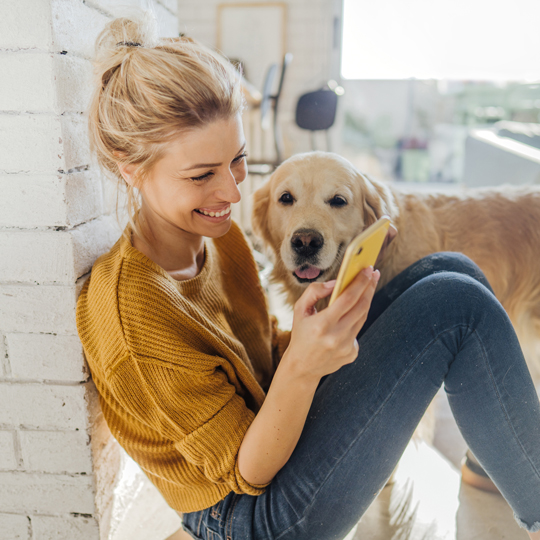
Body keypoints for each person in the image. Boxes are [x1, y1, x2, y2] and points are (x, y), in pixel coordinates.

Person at [76, 13, 540, 540]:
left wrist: (317, 333)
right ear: (128, 167)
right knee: (454, 305)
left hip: (278, 443)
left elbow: (257, 355)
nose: (231, 192)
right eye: (202, 175)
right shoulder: (134, 312)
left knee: (448, 272)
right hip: (249, 515)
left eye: (238, 162)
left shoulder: (217, 235)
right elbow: (246, 474)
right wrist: (304, 363)